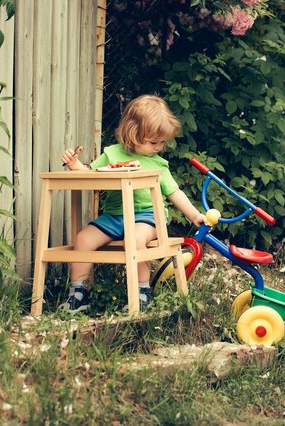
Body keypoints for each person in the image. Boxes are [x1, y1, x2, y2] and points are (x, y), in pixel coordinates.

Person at [60, 94, 207, 313]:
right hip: (114, 216)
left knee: (135, 239)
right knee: (82, 239)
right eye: (153, 142)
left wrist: (195, 215)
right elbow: (92, 173)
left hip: (147, 217)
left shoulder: (158, 164)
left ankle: (141, 292)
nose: (159, 147)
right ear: (133, 133)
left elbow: (175, 193)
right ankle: (79, 294)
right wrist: (75, 165)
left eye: (162, 142)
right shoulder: (112, 153)